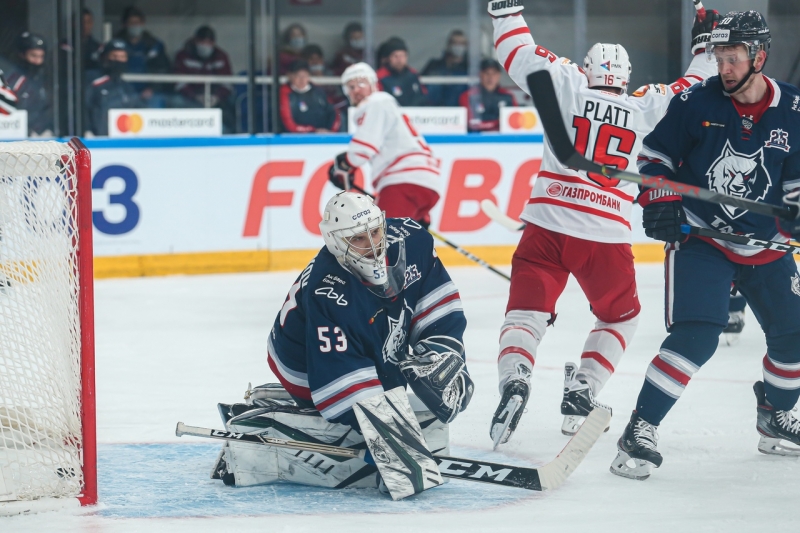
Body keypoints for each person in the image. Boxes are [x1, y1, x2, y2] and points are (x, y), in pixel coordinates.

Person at [485, 0, 718, 447]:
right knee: (620, 317)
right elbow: (694, 86)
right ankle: (585, 387)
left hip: (545, 226)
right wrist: (704, 46)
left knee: (525, 315)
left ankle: (515, 378)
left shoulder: (566, 81)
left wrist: (505, 12)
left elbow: (518, 53)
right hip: (605, 235)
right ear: (625, 79)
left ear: (589, 71)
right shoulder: (647, 106)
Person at [609, 10, 800, 480]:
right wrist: (661, 197)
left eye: (733, 57)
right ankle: (640, 428)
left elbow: (795, 183)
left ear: (759, 56)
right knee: (698, 334)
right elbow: (654, 158)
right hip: (702, 238)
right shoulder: (697, 102)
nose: (724, 67)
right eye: (719, 57)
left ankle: (774, 415)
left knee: (794, 339)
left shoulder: (794, 110)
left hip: (767, 244)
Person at [214, 192, 472, 489]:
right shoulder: (329, 291)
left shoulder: (412, 240)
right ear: (335, 241)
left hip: (366, 340)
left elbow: (438, 305)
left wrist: (441, 352)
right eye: (358, 239)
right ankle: (292, 417)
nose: (373, 245)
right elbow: (338, 373)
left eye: (375, 232)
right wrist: (387, 438)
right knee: (363, 409)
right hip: (300, 361)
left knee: (394, 386)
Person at [327, 63, 441, 228]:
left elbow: (362, 151)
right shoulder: (387, 107)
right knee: (405, 246)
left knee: (381, 242)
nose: (356, 90)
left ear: (374, 85)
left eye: (361, 83)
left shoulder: (377, 102)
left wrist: (344, 165)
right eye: (350, 87)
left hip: (404, 181)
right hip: (422, 184)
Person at [173, 25, 234, 131]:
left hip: (215, 99)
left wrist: (217, 97)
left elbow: (228, 82)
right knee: (175, 101)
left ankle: (228, 133)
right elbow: (178, 82)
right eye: (202, 42)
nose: (206, 46)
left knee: (232, 102)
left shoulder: (221, 56)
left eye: (209, 43)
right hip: (190, 98)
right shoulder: (183, 55)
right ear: (195, 41)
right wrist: (195, 96)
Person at [84, 39, 143, 136]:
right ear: (106, 57)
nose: (118, 60)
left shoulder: (127, 87)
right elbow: (84, 109)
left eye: (122, 57)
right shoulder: (94, 83)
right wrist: (87, 131)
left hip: (122, 141)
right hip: (98, 141)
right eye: (114, 56)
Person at [115, 6, 171, 106]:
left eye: (138, 23)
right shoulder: (116, 44)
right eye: (131, 23)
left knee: (157, 101)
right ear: (125, 25)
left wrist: (152, 88)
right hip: (122, 92)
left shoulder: (154, 45)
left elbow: (163, 70)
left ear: (143, 24)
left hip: (149, 93)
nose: (135, 26)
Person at [6, 32, 52, 136]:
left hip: (46, 134)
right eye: (33, 56)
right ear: (22, 55)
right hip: (22, 136)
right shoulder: (14, 81)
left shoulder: (46, 78)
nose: (38, 61)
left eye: (41, 56)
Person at [279, 60, 340, 133]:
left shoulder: (318, 91)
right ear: (290, 76)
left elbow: (334, 113)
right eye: (298, 76)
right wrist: (313, 131)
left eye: (305, 75)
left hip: (323, 138)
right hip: (294, 140)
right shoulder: (285, 93)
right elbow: (288, 123)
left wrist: (330, 132)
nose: (302, 79)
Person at [459, 58, 516, 132]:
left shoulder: (508, 96)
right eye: (487, 73)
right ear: (480, 74)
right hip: (476, 140)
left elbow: (515, 121)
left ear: (499, 75)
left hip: (503, 140)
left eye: (494, 73)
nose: (490, 77)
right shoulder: (468, 96)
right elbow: (470, 123)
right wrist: (498, 123)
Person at [422, 30, 469, 107]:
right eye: (455, 43)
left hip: (459, 111)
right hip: (432, 111)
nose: (458, 46)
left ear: (466, 46)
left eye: (461, 44)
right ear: (449, 44)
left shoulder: (469, 68)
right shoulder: (434, 65)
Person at [376, 38, 429, 107]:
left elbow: (423, 95)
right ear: (389, 58)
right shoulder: (380, 76)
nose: (399, 60)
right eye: (395, 56)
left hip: (415, 114)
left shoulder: (413, 74)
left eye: (402, 56)